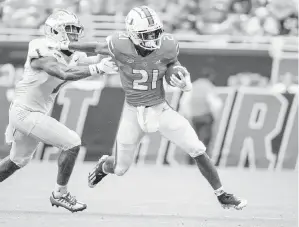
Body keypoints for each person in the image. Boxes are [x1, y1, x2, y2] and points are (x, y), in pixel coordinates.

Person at [60, 6, 247, 210]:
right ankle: (104, 166)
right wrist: (68, 44)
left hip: (159, 110)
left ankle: (222, 195)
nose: (153, 37)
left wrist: (181, 78)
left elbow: (173, 65)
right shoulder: (119, 44)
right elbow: (95, 47)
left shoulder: (167, 45)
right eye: (147, 34)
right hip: (133, 113)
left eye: (156, 32)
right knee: (120, 168)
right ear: (132, 34)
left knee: (197, 148)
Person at [0, 9, 118, 212]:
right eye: (69, 29)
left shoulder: (72, 53)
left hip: (33, 112)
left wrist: (113, 55)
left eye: (75, 30)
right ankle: (60, 194)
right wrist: (98, 68)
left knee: (17, 160)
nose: (74, 34)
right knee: (72, 142)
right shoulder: (40, 47)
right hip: (25, 112)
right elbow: (63, 71)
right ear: (55, 31)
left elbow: (94, 58)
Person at [180, 68, 223, 164]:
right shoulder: (208, 86)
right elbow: (215, 103)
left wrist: (187, 115)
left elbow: (184, 102)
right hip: (206, 117)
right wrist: (216, 116)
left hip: (194, 117)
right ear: (210, 76)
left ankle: (190, 160)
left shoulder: (194, 85)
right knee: (205, 139)